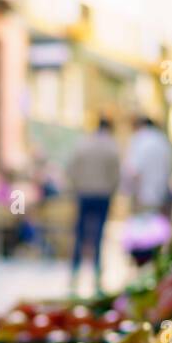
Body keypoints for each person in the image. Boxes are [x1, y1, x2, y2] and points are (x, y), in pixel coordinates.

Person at [65, 117, 120, 291]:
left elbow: (72, 168)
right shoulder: (112, 146)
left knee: (80, 234)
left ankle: (74, 273)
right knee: (99, 235)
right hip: (103, 195)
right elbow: (116, 174)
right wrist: (111, 189)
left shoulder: (83, 143)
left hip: (84, 193)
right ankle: (97, 274)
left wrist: (77, 186)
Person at [122, 115, 172, 216]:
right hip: (161, 193)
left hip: (142, 194)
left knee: (142, 227)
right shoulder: (163, 140)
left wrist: (128, 190)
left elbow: (133, 170)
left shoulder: (139, 140)